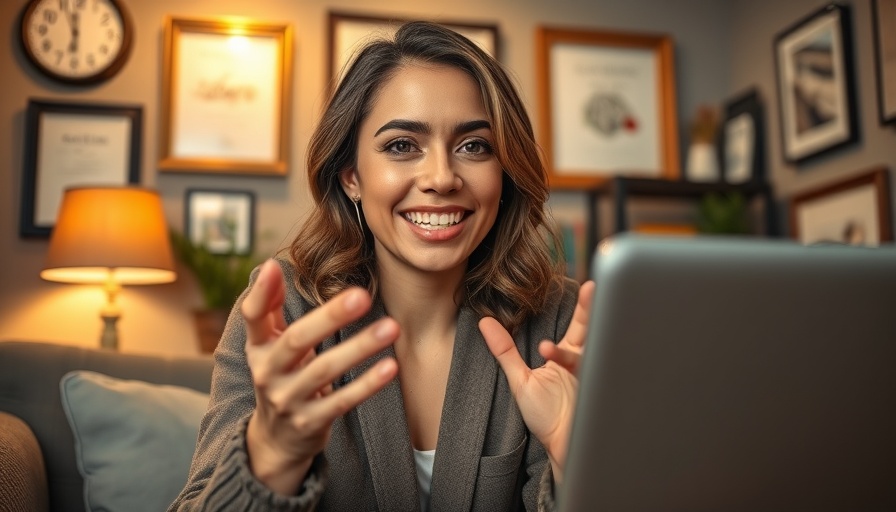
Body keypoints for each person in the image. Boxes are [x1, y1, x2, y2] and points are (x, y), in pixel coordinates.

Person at [169, 20, 594, 511]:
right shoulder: (284, 314)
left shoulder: (557, 323)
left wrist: (576, 469)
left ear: (504, 170)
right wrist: (273, 453)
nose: (441, 177)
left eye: (474, 146)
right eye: (401, 146)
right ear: (351, 176)